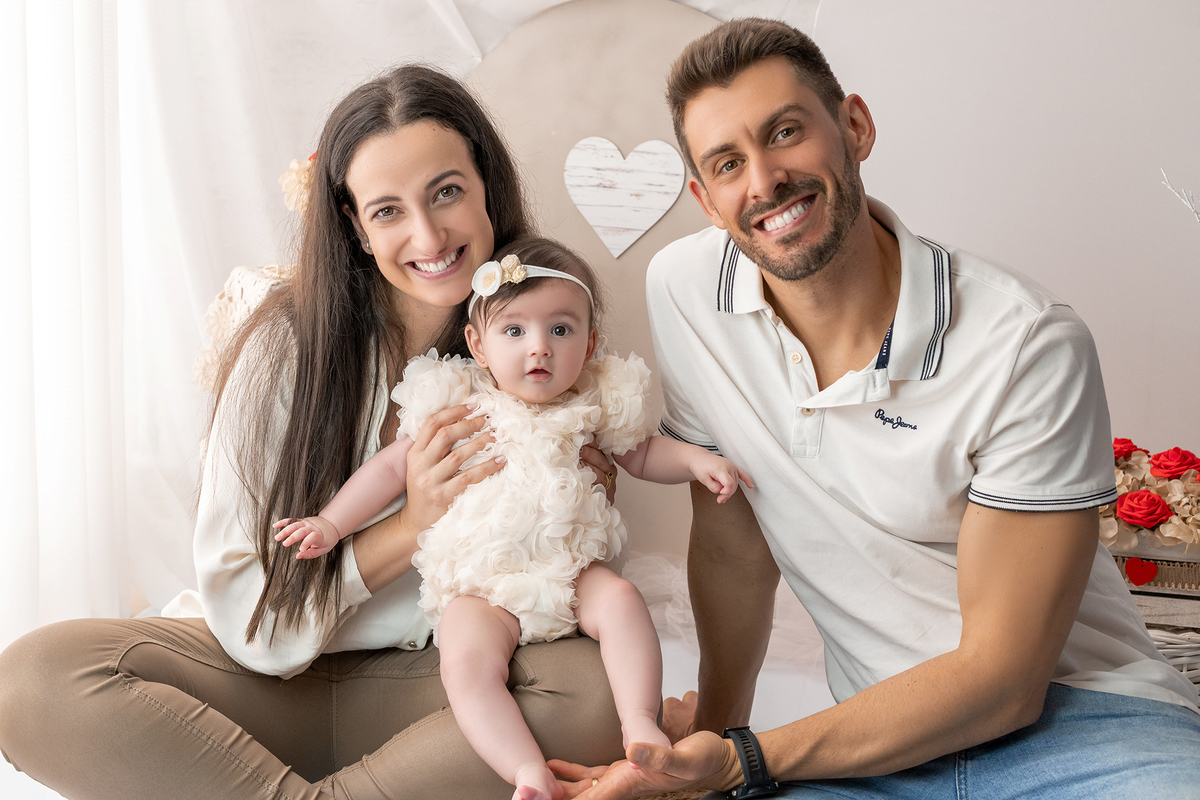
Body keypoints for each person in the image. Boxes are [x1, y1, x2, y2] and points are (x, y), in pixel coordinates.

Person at [552, 17, 1200, 800]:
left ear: (854, 127)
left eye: (785, 132)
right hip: (870, 750)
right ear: (706, 200)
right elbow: (731, 537)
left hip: (1087, 729)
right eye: (728, 163)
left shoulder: (1025, 342)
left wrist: (741, 759)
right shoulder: (687, 290)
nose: (764, 181)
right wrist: (706, 755)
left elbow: (1004, 680)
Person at [0, 65, 630, 800]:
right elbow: (248, 617)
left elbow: (567, 586)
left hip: (432, 687)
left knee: (593, 691)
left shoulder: (541, 335)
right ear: (355, 227)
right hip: (250, 684)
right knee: (32, 680)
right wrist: (411, 524)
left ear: (487, 187)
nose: (428, 235)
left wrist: (577, 504)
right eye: (388, 210)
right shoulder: (284, 346)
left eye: (446, 192)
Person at [274, 236, 750, 800]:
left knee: (622, 600)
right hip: (481, 586)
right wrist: (330, 523)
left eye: (561, 329)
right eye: (515, 330)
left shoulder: (592, 405)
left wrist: (695, 461)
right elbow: (390, 468)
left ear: (590, 342)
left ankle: (641, 724)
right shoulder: (460, 405)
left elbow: (644, 455)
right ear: (478, 345)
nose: (539, 348)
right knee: (466, 662)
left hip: (570, 574)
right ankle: (524, 769)